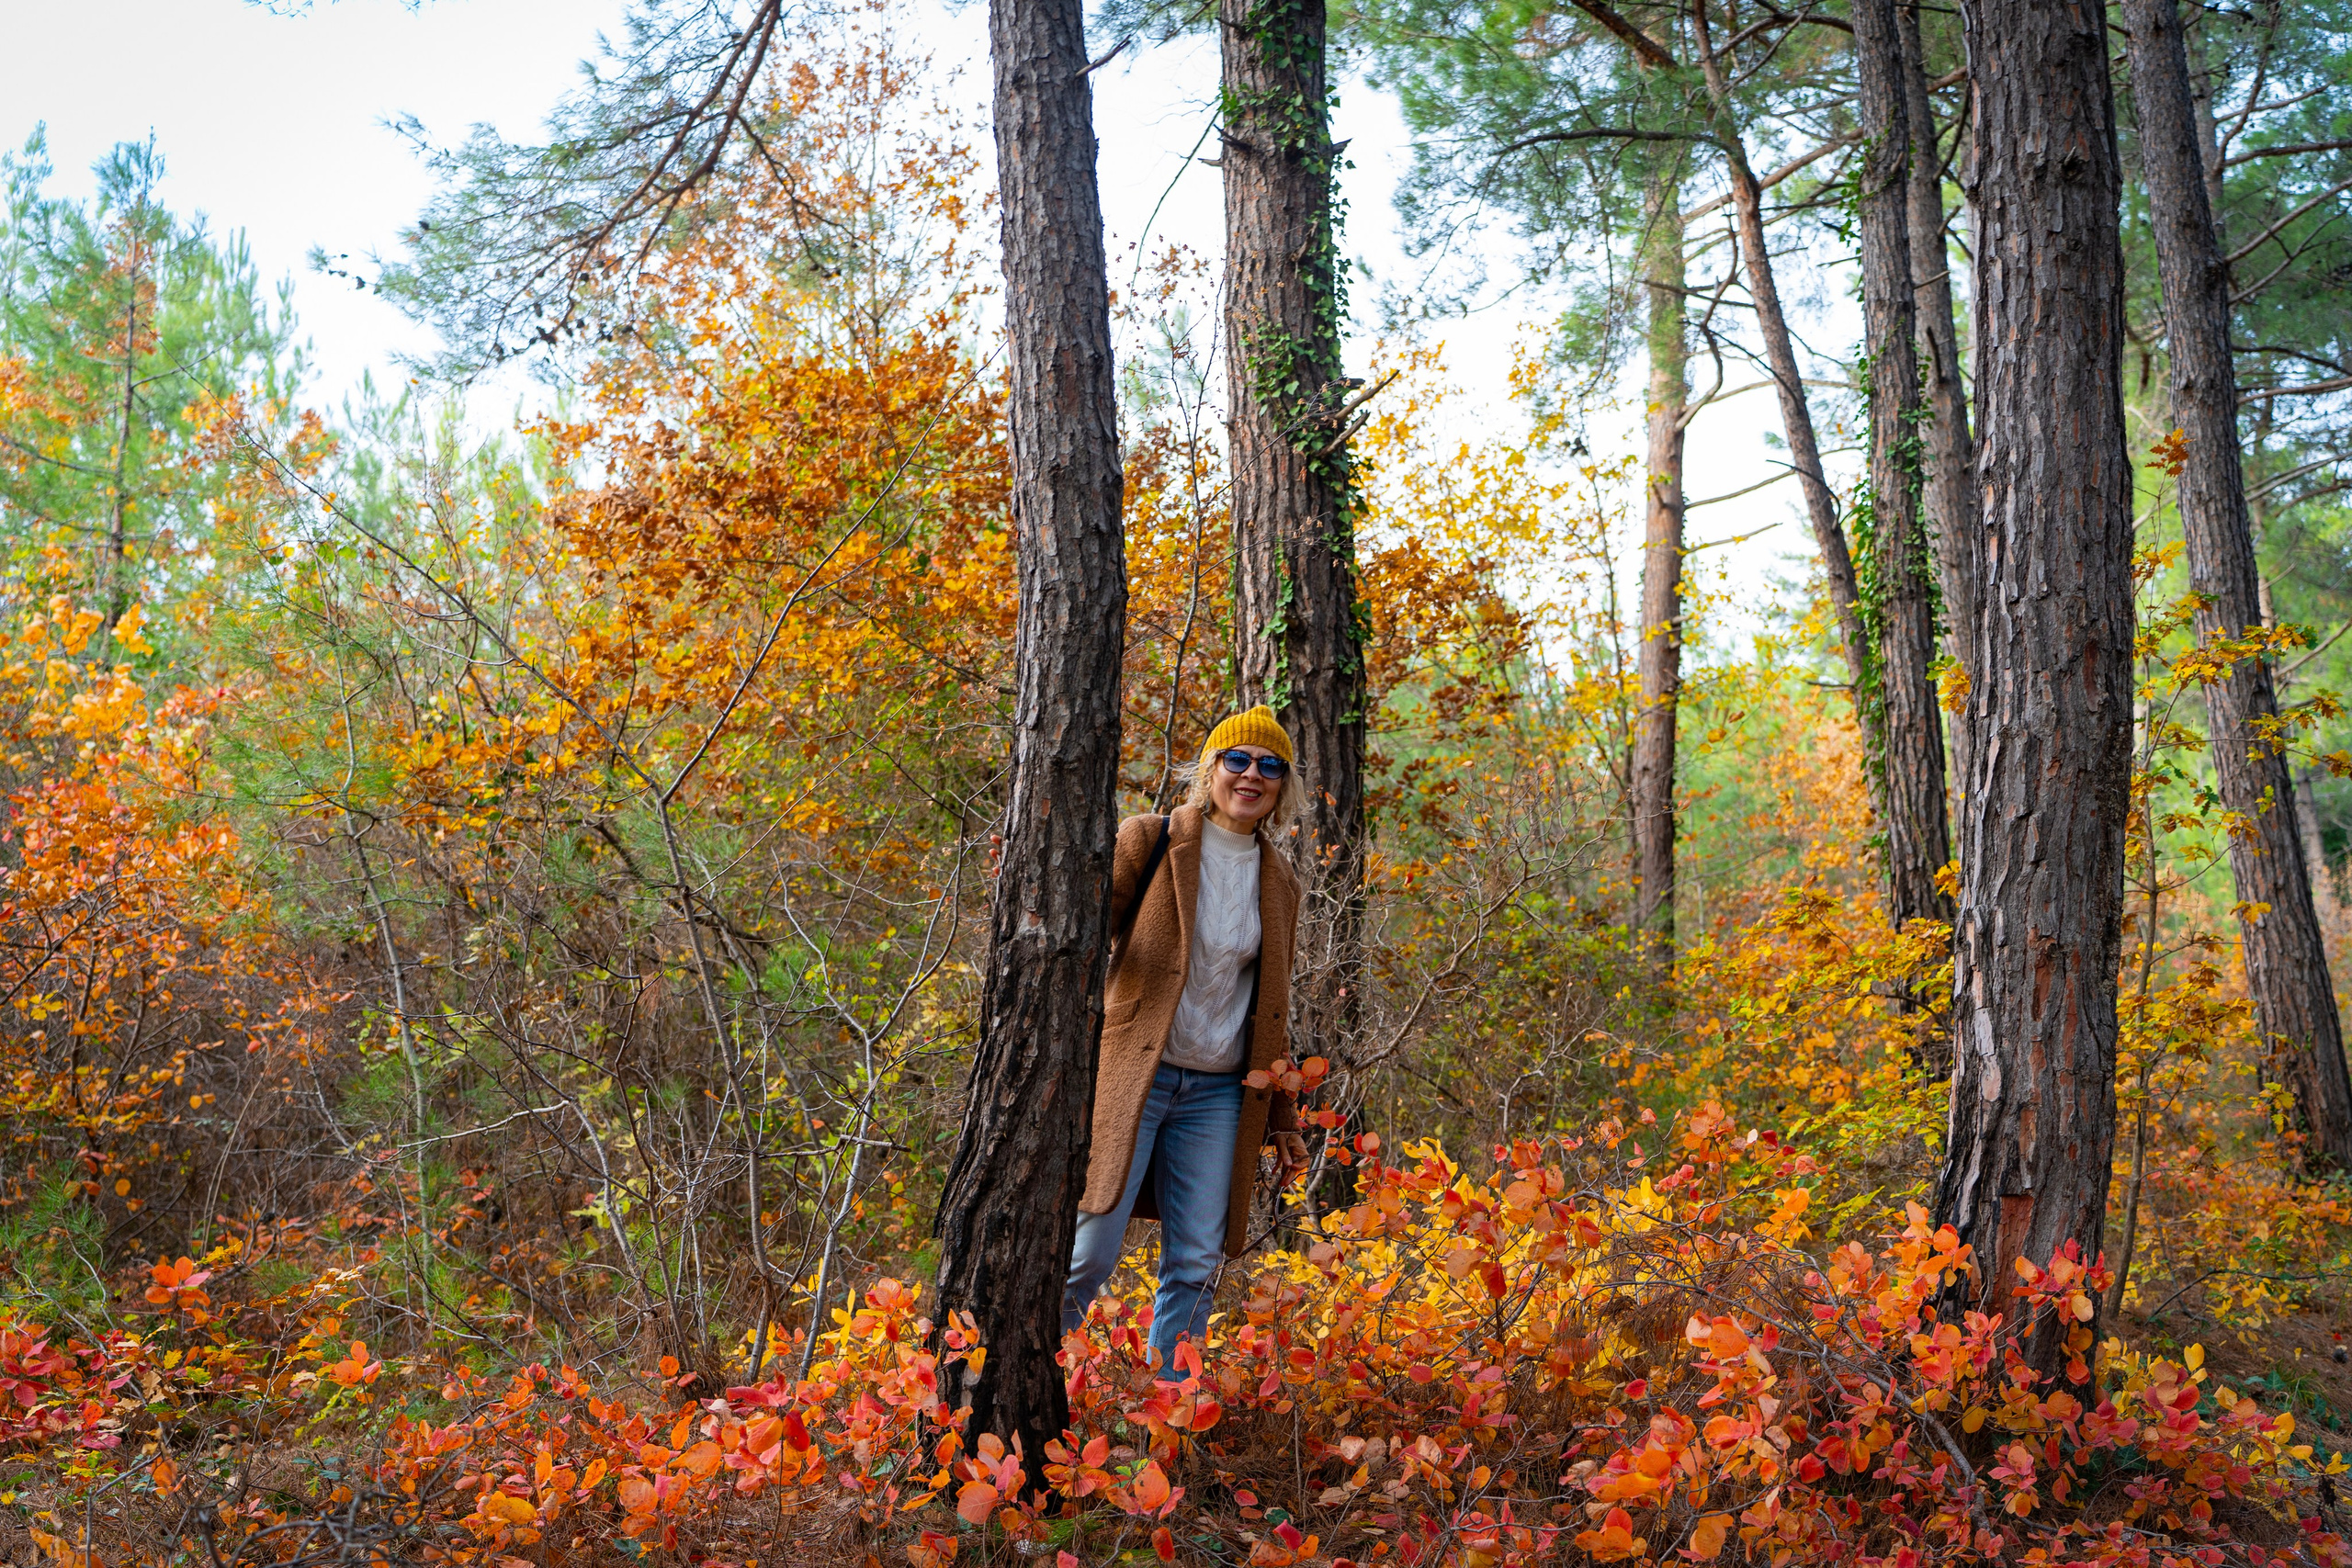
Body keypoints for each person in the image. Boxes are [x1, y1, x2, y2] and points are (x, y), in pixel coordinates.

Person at [1063, 705, 1315, 1368]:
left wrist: (1282, 1115)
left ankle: (1164, 1414)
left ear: (1282, 786)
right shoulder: (1149, 840)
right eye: (1236, 759)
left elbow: (1272, 1010)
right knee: (1089, 1250)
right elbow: (1077, 933)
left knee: (1198, 1262)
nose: (1250, 775)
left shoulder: (1281, 881)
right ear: (1210, 770)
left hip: (1218, 1095)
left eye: (1269, 765)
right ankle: (1020, 1379)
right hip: (1134, 1079)